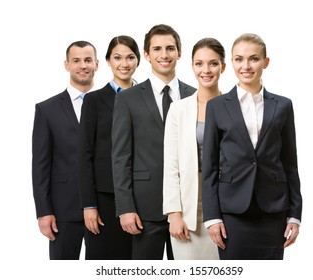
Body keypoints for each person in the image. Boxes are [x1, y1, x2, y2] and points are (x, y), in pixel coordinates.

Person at [202, 33, 302, 260]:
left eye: (254, 59)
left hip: (274, 210)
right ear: (231, 63)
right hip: (232, 212)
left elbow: (290, 163)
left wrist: (294, 215)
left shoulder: (283, 105)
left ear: (266, 62)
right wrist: (212, 217)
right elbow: (209, 167)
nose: (246, 66)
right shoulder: (217, 106)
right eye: (239, 59)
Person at [111, 24, 196, 260]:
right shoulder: (127, 99)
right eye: (157, 49)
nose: (164, 54)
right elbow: (120, 157)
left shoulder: (195, 95)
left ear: (179, 52)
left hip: (188, 206)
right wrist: (125, 208)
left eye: (170, 48)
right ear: (146, 55)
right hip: (146, 207)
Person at [32, 41, 99, 259]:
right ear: (66, 65)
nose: (83, 65)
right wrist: (43, 211)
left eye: (88, 60)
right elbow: (40, 166)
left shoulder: (114, 104)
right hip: (62, 209)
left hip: (103, 208)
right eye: (76, 60)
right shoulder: (47, 109)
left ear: (97, 64)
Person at [162, 38, 225, 260]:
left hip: (226, 204)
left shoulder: (234, 107)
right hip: (188, 205)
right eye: (199, 64)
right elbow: (171, 165)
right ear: (192, 66)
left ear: (223, 67)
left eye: (213, 63)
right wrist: (174, 214)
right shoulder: (178, 109)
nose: (206, 70)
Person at [79, 35, 140, 260]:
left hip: (142, 195)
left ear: (138, 60)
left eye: (130, 57)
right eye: (117, 57)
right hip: (104, 198)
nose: (124, 63)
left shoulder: (147, 96)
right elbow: (84, 155)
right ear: (107, 61)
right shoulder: (94, 101)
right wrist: (89, 205)